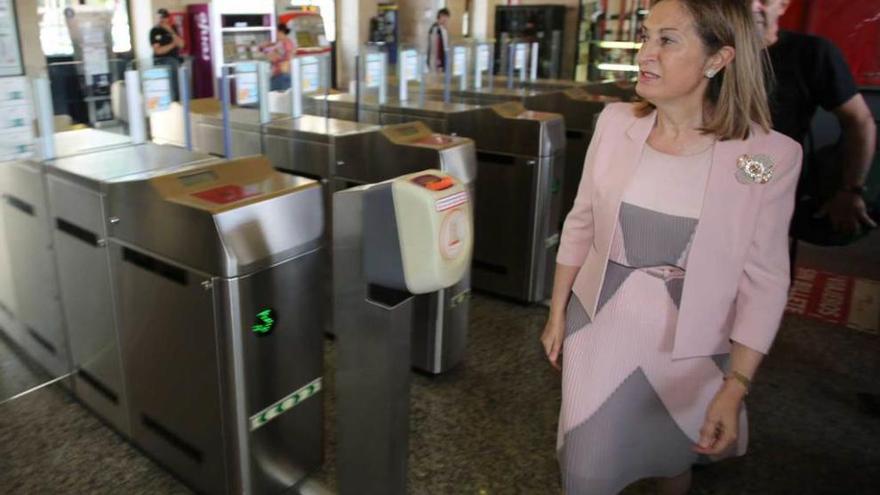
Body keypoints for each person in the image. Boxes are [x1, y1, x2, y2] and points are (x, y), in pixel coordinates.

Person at [540, 1, 802, 494]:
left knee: (672, 455)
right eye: (644, 36)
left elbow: (765, 280)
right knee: (586, 464)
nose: (644, 53)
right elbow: (580, 222)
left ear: (716, 60)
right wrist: (557, 312)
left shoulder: (765, 157)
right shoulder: (617, 122)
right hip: (599, 325)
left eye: (666, 40)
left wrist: (736, 385)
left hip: (693, 346)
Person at [752, 0, 876, 237]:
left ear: (783, 4)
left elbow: (859, 121)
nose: (752, 7)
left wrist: (851, 190)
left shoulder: (812, 53)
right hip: (703, 179)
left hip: (767, 184)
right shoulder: (710, 54)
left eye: (764, 0)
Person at [150, 9, 184, 100]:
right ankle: (172, 100)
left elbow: (181, 44)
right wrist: (173, 44)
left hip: (174, 60)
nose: (162, 20)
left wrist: (170, 31)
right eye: (160, 17)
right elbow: (158, 51)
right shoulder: (154, 31)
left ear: (168, 18)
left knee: (174, 65)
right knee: (170, 64)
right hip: (161, 61)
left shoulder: (174, 28)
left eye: (164, 17)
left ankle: (176, 100)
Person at [260, 23, 295, 91]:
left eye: (275, 32)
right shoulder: (283, 42)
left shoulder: (285, 43)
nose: (275, 34)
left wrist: (266, 51)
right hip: (281, 74)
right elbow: (267, 50)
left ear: (280, 32)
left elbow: (283, 57)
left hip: (281, 74)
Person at [427, 8, 450, 73]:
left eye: (447, 18)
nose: (446, 20)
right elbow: (434, 47)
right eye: (445, 17)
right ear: (441, 16)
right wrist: (438, 62)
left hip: (442, 56)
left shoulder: (443, 28)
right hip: (437, 59)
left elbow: (445, 45)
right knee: (437, 79)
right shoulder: (435, 28)